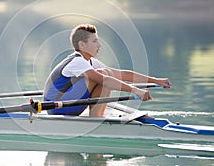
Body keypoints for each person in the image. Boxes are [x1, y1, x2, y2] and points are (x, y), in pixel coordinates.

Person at [43, 24, 171, 117]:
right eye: (94, 41)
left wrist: (156, 80)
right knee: (104, 75)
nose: (99, 45)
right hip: (57, 108)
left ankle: (96, 117)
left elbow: (123, 74)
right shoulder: (77, 62)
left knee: (106, 73)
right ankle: (96, 118)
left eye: (98, 41)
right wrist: (136, 90)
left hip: (71, 104)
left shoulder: (91, 62)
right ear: (82, 45)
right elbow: (104, 79)